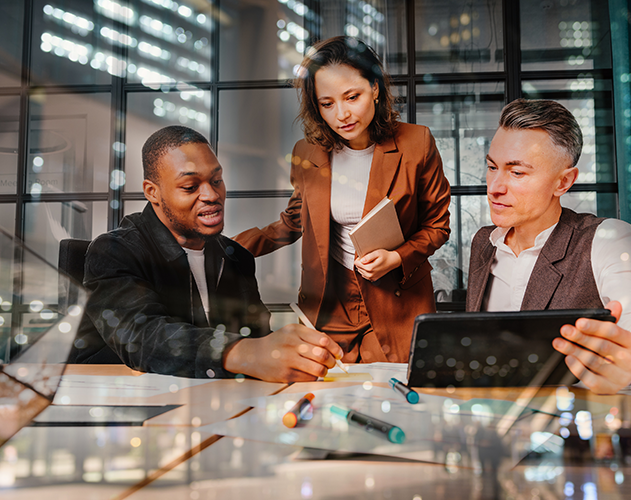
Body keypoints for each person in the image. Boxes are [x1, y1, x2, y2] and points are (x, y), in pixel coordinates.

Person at [234, 36, 451, 363]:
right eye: (327, 103)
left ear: (375, 88)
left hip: (396, 297)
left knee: (388, 395)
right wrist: (226, 249)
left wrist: (396, 258)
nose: (342, 114)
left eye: (353, 97)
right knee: (327, 399)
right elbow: (294, 221)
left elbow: (437, 227)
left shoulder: (416, 143)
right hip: (331, 301)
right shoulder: (306, 153)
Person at [69, 126, 343, 382]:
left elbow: (256, 339)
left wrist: (288, 353)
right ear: (152, 192)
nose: (212, 195)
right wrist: (243, 353)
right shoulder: (114, 252)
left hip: (211, 404)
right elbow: (142, 337)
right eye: (190, 187)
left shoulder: (237, 258)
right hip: (118, 411)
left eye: (217, 180)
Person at [466, 98, 631, 394]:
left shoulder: (607, 238)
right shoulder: (484, 241)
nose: (495, 187)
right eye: (492, 167)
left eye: (516, 173)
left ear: (563, 182)